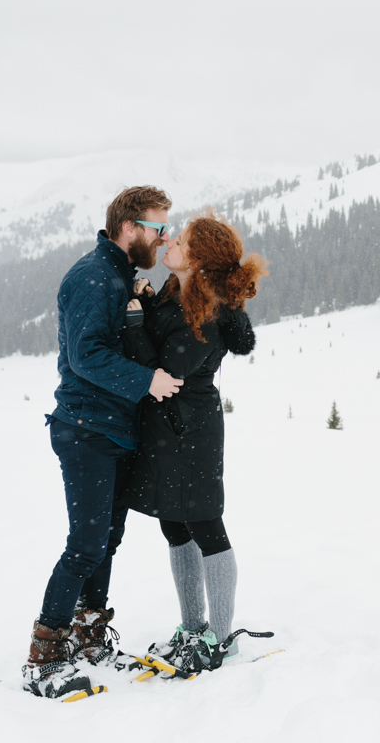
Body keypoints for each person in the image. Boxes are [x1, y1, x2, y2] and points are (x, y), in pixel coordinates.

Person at [23, 186, 185, 700]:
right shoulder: (93, 276)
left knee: (106, 541)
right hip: (86, 429)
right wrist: (147, 380)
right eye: (159, 228)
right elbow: (86, 355)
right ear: (130, 226)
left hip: (113, 430)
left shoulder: (117, 275)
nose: (164, 239)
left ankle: (89, 637)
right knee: (85, 544)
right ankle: (44, 655)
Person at [119, 213, 267, 673]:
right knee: (174, 524)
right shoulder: (180, 292)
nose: (170, 242)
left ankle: (221, 638)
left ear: (198, 261)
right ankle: (192, 627)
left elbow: (165, 368)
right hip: (165, 428)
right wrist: (145, 303)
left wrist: (131, 320)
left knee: (205, 526)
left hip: (191, 432)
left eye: (180, 241)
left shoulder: (213, 311)